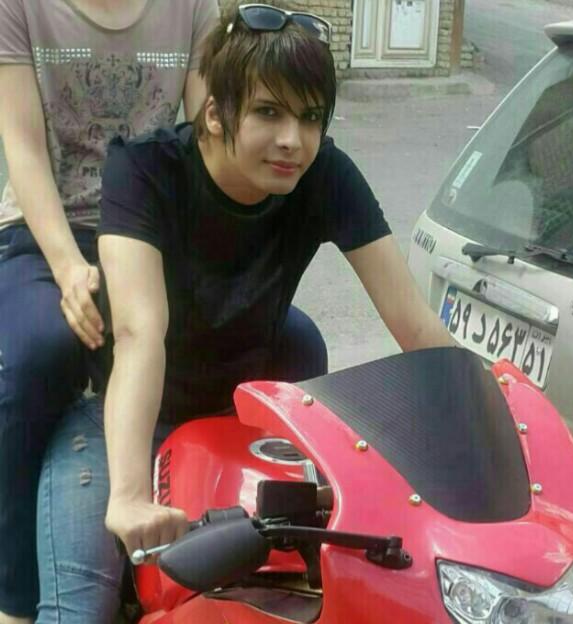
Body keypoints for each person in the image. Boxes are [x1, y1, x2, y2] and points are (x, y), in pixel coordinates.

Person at [35, 1, 454, 621]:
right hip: (119, 418)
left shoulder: (324, 175)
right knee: (79, 609)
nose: (293, 141)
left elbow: (414, 324)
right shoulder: (145, 169)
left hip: (234, 421)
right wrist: (128, 495)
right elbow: (140, 332)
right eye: (268, 112)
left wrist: (504, 429)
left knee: (300, 595)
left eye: (310, 117)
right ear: (214, 113)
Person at [0, 1, 219, 622]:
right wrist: (69, 267)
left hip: (150, 225)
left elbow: (209, 136)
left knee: (276, 340)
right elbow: (23, 146)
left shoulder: (193, 7)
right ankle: (13, 592)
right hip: (50, 227)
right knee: (37, 352)